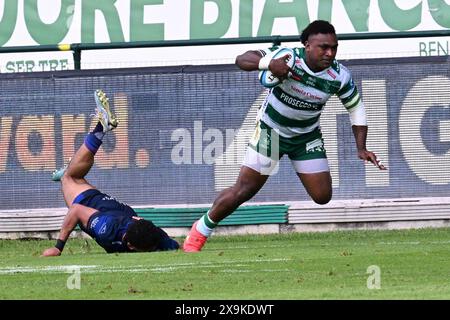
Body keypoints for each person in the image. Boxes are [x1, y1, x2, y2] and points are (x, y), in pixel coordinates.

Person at [183, 20, 387, 252]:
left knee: (322, 196)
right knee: (244, 190)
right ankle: (200, 230)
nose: (329, 53)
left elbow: (356, 108)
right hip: (272, 132)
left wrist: (361, 147)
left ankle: (201, 229)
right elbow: (242, 60)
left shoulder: (339, 76)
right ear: (307, 45)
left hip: (306, 137)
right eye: (323, 47)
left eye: (334, 47)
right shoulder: (288, 57)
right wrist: (268, 63)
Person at [42, 89, 179, 256]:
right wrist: (58, 247)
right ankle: (101, 127)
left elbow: (175, 246)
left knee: (74, 174)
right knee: (68, 178)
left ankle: (72, 164)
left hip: (119, 211)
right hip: (93, 205)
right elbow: (77, 210)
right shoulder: (106, 230)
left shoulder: (156, 236)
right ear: (130, 246)